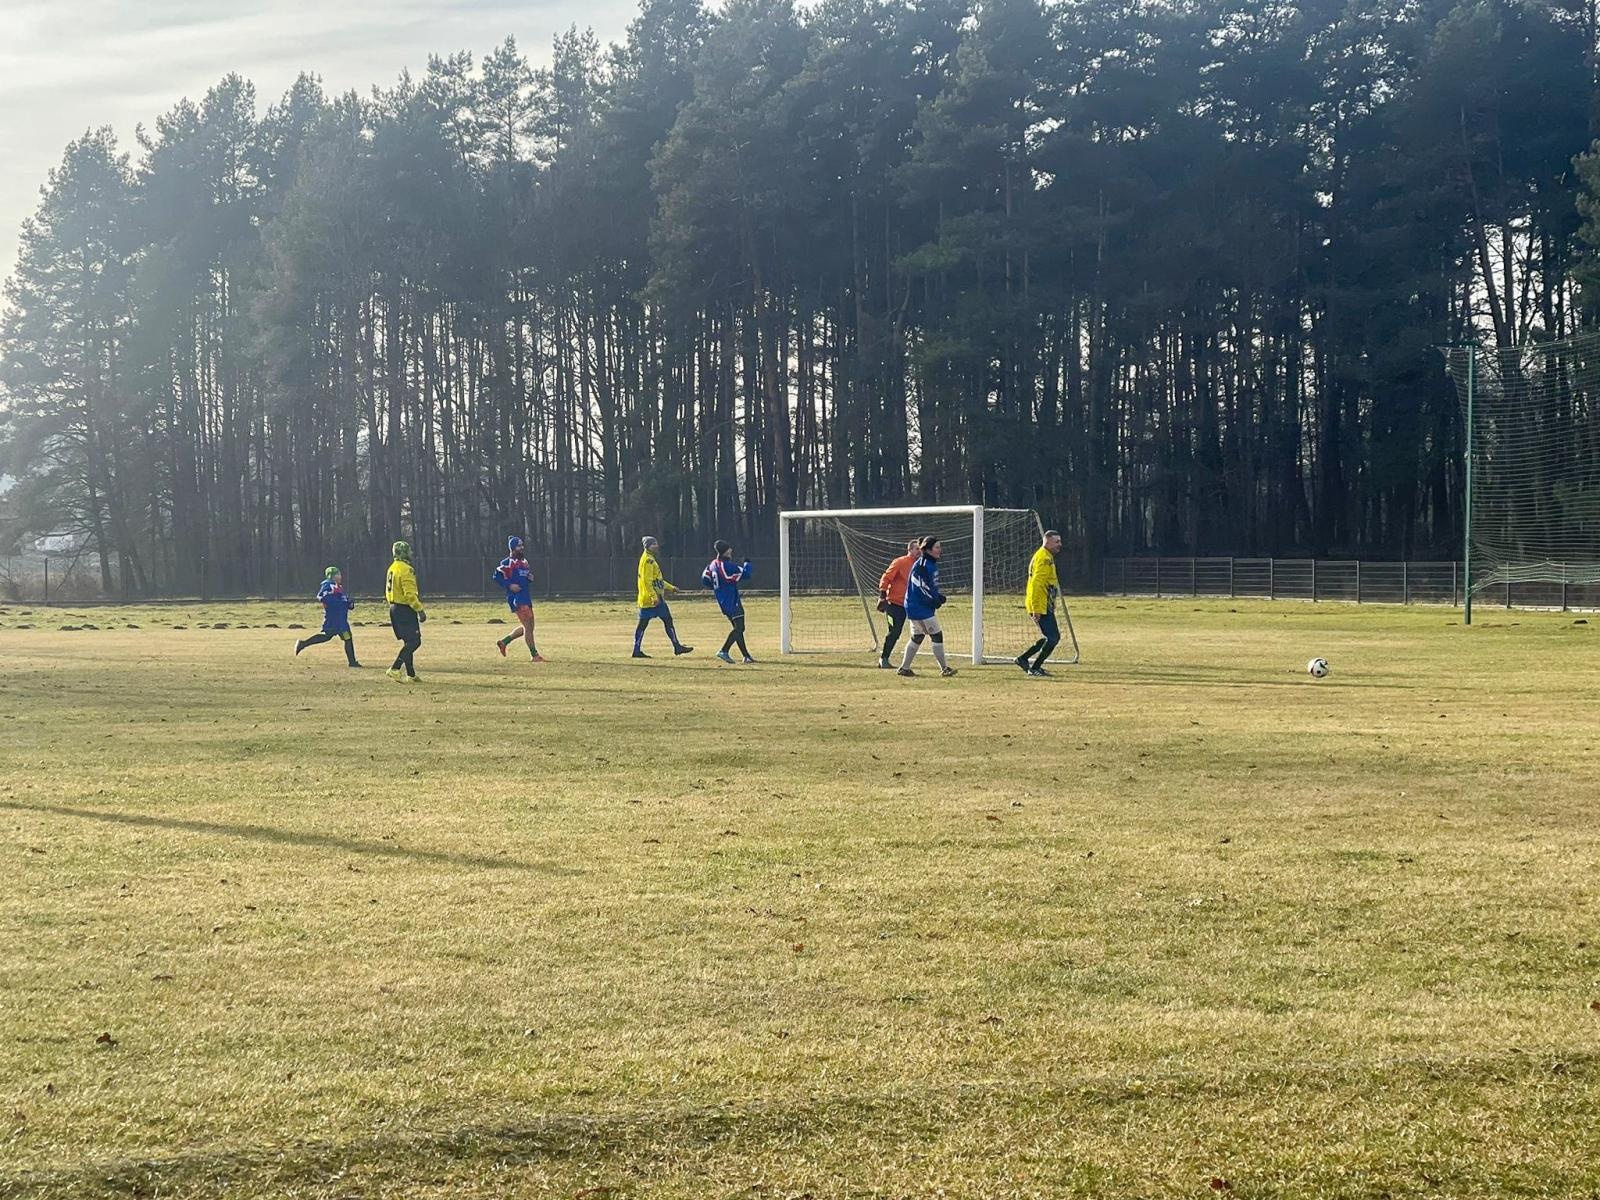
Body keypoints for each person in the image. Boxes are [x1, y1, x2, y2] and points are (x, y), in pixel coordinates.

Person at [898, 535, 957, 678]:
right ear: (929, 549)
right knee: (936, 635)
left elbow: (927, 586)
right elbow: (920, 586)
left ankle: (904, 668)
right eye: (937, 547)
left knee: (917, 636)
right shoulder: (923, 564)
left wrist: (938, 596)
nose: (939, 550)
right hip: (919, 607)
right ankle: (944, 668)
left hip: (916, 605)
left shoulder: (928, 563)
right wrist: (935, 600)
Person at [633, 536, 693, 658]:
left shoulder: (649, 558)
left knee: (667, 620)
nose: (657, 546)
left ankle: (676, 646)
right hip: (652, 600)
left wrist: (671, 588)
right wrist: (653, 597)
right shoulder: (648, 561)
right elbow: (647, 581)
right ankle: (637, 650)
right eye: (654, 544)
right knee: (645, 624)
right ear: (648, 546)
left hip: (654, 598)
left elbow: (657, 580)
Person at [1017, 529, 1064, 677]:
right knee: (1053, 638)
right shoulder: (1044, 558)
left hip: (1044, 604)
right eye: (1057, 542)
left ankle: (1023, 659)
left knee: (1049, 637)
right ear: (1048, 541)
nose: (1060, 545)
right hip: (1041, 605)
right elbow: (1037, 584)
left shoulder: (1045, 556)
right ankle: (1034, 666)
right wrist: (1037, 608)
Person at [294, 566, 361, 667]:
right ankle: (303, 644)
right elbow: (323, 597)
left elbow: (342, 600)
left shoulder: (338, 587)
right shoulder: (329, 585)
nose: (340, 576)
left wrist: (349, 603)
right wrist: (341, 603)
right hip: (335, 619)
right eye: (338, 574)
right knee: (333, 637)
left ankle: (352, 662)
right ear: (333, 576)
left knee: (342, 637)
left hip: (341, 619)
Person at [492, 536, 544, 662]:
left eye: (522, 545)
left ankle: (504, 642)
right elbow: (496, 576)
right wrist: (509, 585)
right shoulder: (507, 562)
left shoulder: (524, 562)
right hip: (517, 599)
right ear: (513, 548)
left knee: (529, 627)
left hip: (526, 597)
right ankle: (534, 655)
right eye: (519, 546)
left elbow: (523, 578)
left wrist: (529, 578)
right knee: (528, 627)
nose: (522, 548)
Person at [703, 540, 754, 664]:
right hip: (732, 600)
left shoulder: (712, 564)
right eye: (729, 549)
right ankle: (724, 650)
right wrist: (748, 563)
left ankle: (746, 656)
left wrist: (718, 589)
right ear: (725, 551)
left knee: (737, 629)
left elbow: (705, 579)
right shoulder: (727, 565)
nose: (731, 551)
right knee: (740, 628)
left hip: (722, 601)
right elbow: (746, 574)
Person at [385, 540, 426, 683]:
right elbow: (409, 593)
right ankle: (395, 668)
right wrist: (419, 609)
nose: (411, 553)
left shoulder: (392, 567)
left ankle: (411, 674)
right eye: (409, 551)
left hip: (394, 607)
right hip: (404, 609)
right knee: (415, 642)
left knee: (408, 642)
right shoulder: (406, 569)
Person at [876, 538, 919, 670]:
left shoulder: (920, 565)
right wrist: (882, 597)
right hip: (892, 604)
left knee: (919, 631)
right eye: (917, 549)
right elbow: (886, 577)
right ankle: (883, 658)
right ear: (910, 549)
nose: (919, 552)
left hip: (908, 605)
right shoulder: (900, 562)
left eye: (920, 549)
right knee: (894, 631)